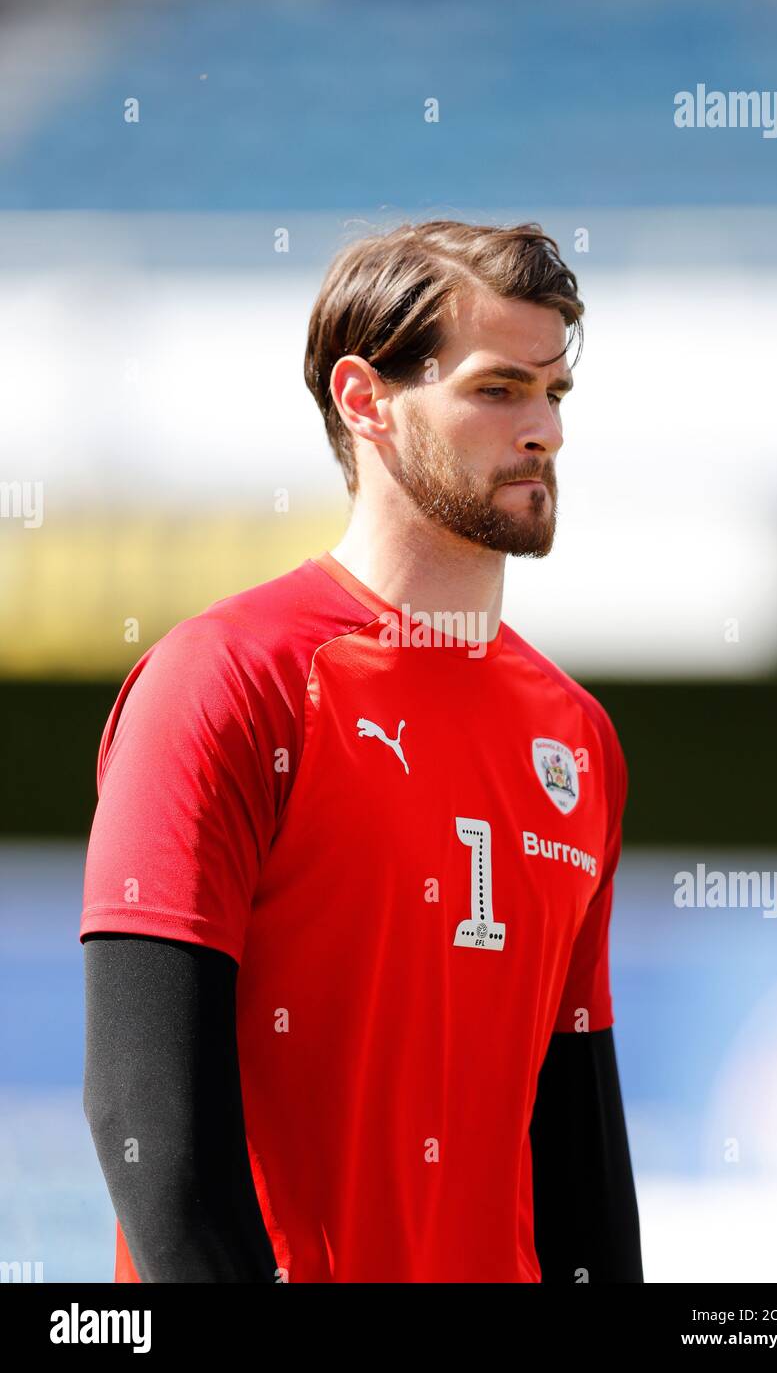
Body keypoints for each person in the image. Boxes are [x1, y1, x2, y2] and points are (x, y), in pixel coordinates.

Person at [81, 219, 643, 1283]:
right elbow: (149, 1132)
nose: (543, 432)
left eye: (554, 394)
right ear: (364, 398)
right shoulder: (228, 680)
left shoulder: (576, 735)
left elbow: (578, 1158)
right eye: (496, 389)